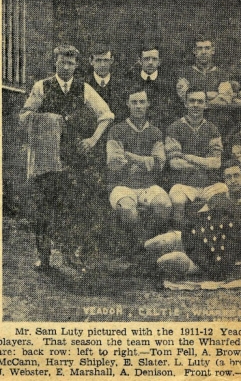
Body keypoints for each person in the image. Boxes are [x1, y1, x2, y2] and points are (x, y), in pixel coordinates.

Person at [18, 44, 114, 270]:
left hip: (72, 157)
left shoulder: (84, 88)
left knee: (71, 207)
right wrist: (48, 119)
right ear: (55, 62)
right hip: (46, 156)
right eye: (62, 62)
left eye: (71, 63)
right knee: (44, 207)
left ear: (77, 65)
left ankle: (70, 254)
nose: (66, 66)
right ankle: (44, 256)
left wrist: (92, 140)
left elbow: (107, 115)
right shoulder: (41, 86)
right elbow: (24, 116)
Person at [145, 160, 241, 281]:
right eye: (228, 177)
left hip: (229, 255)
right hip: (206, 244)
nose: (233, 180)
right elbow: (197, 223)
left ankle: (156, 267)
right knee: (162, 241)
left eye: (236, 175)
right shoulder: (216, 199)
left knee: (172, 260)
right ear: (224, 180)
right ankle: (142, 261)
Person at [107, 88, 172, 254]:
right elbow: (114, 162)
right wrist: (146, 161)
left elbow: (159, 163)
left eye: (142, 102)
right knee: (128, 209)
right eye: (134, 102)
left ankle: (150, 246)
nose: (138, 106)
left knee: (164, 205)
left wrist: (130, 156)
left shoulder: (155, 132)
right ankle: (140, 249)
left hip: (148, 185)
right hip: (122, 185)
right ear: (128, 104)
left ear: (148, 104)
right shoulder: (117, 130)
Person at [165, 90, 223, 227]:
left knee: (225, 198)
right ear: (185, 103)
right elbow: (175, 163)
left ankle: (212, 239)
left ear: (206, 105)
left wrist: (187, 157)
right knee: (177, 201)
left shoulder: (212, 129)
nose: (196, 105)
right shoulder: (175, 128)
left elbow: (216, 163)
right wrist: (204, 162)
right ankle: (179, 236)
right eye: (192, 101)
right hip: (183, 183)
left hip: (209, 182)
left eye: (200, 101)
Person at [126, 45, 176, 134]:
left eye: (154, 59)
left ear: (159, 62)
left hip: (162, 131)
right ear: (140, 61)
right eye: (146, 59)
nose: (150, 62)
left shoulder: (169, 83)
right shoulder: (129, 80)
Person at [176, 35, 232, 105]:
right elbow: (184, 98)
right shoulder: (185, 73)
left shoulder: (222, 74)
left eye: (207, 48)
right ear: (194, 51)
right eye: (199, 48)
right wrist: (208, 94)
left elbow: (224, 100)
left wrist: (198, 101)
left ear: (213, 51)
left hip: (216, 114)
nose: (203, 52)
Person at [86, 43, 127, 123]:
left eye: (106, 60)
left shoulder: (122, 85)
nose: (102, 65)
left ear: (111, 60)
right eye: (98, 60)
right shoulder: (84, 84)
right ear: (91, 61)